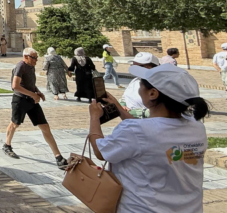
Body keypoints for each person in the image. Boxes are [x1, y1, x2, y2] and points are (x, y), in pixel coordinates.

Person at [88, 64, 210, 212]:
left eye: (141, 84)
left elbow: (100, 151)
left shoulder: (136, 131)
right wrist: (119, 108)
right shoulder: (196, 127)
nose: (138, 88)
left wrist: (94, 118)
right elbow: (149, 131)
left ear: (153, 93)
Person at [2, 48, 69, 170]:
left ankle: (58, 157)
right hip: (20, 100)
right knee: (15, 124)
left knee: (45, 126)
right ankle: (7, 145)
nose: (36, 60)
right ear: (26, 56)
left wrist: (37, 92)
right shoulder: (20, 67)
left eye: (37, 58)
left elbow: (29, 83)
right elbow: (15, 86)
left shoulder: (30, 66)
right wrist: (33, 94)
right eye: (34, 58)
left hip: (32, 101)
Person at [121, 52, 160, 118]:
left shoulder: (159, 84)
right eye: (133, 66)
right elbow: (124, 98)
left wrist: (133, 113)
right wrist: (122, 106)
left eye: (140, 66)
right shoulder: (135, 81)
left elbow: (159, 111)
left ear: (151, 67)